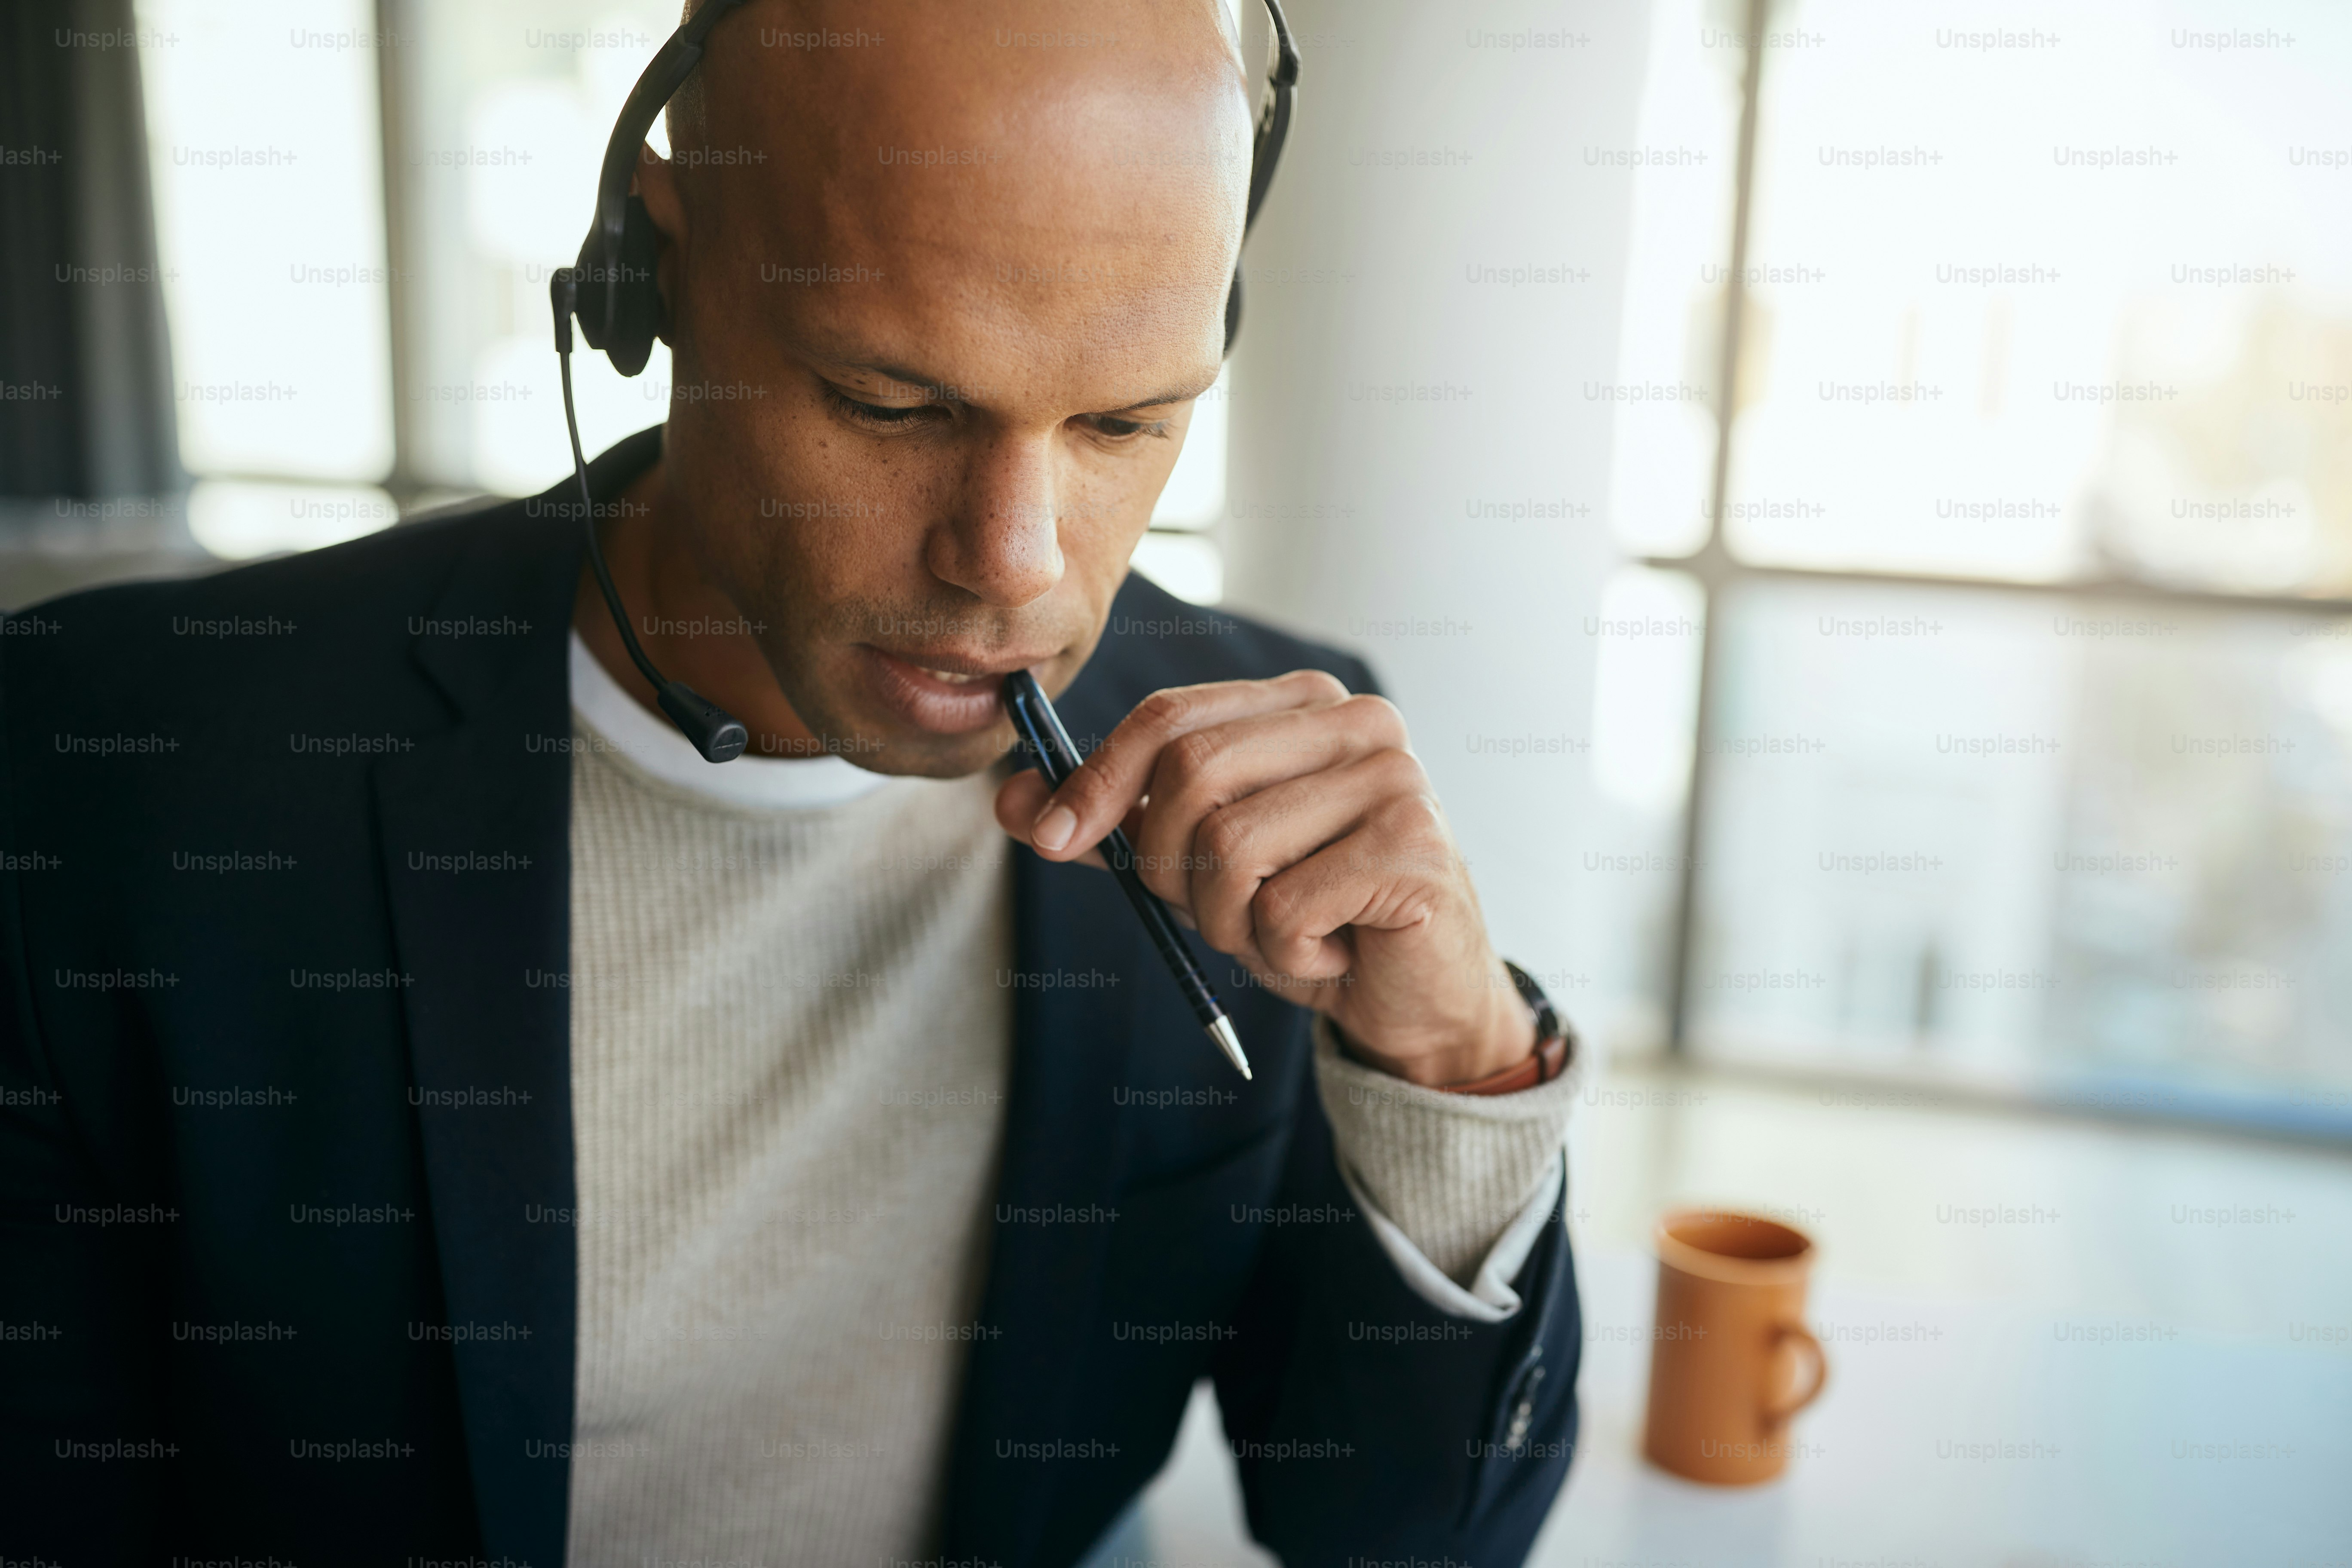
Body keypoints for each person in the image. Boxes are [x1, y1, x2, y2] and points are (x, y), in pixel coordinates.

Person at [0, 3, 1582, 1563]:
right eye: (894, 405)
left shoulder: (1279, 773)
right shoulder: (109, 772)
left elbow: (1395, 1540)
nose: (1013, 571)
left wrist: (1455, 1064)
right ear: (653, 269)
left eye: (1122, 422)